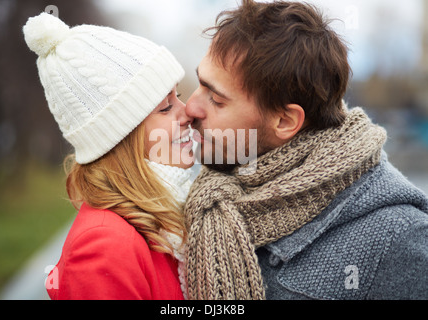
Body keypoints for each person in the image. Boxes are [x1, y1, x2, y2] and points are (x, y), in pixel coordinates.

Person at [184, 0, 428, 300]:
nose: (190, 108)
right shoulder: (211, 195)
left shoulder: (401, 238)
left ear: (285, 121)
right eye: (199, 83)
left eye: (216, 99)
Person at [23, 12, 195, 300]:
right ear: (121, 138)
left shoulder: (164, 217)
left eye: (178, 97)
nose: (187, 111)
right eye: (166, 108)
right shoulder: (105, 246)